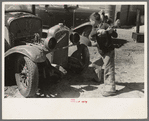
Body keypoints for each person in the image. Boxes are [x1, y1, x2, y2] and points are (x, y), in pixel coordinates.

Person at [89, 12, 118, 97]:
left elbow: (115, 35)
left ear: (94, 20)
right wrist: (98, 31)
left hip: (108, 51)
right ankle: (98, 78)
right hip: (101, 52)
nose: (90, 22)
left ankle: (110, 89)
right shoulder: (95, 27)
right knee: (95, 64)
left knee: (108, 70)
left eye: (91, 20)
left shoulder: (105, 25)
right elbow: (91, 36)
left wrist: (110, 31)